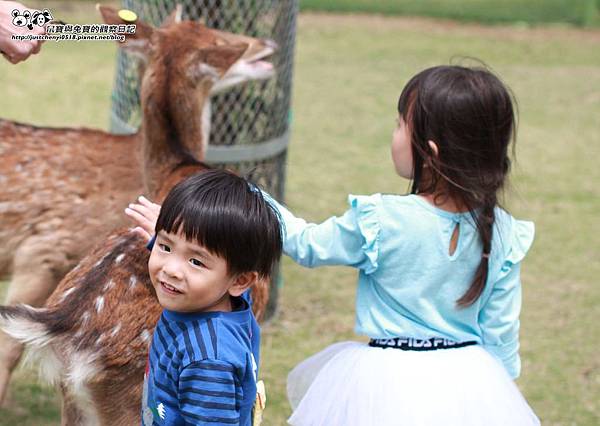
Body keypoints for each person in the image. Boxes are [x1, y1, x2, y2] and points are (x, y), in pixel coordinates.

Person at [127, 65, 540, 425]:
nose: (394, 134)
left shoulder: (383, 220)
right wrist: (494, 399)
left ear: (428, 153)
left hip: (388, 384)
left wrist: (245, 197)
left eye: (401, 124)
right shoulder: (503, 231)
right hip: (470, 384)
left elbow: (306, 243)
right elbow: (501, 336)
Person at [135, 169, 282, 426]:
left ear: (240, 281)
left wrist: (173, 243)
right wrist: (167, 239)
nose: (170, 269)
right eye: (165, 246)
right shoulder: (225, 299)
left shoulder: (207, 362)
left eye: (195, 261)